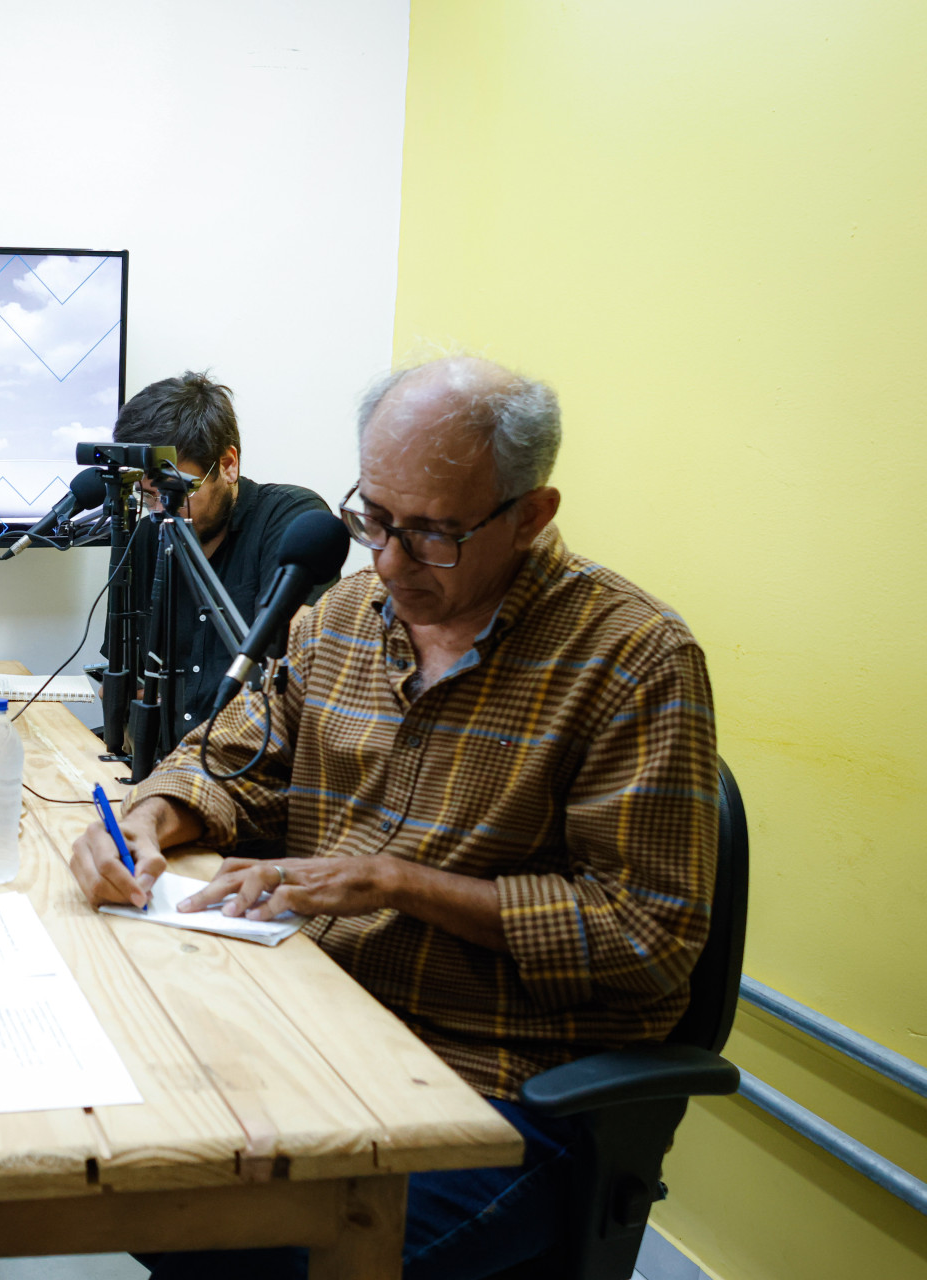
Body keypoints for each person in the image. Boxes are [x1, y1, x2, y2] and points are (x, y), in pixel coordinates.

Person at [73, 357, 718, 1280]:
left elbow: (645, 938)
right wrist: (148, 819)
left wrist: (395, 883)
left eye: (432, 535)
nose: (387, 559)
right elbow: (233, 759)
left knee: (247, 1250)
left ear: (531, 515)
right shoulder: (340, 617)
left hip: (499, 1085)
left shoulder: (634, 661)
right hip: (316, 1022)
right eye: (373, 517)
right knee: (140, 1173)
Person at [112, 372, 333, 736]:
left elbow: (290, 672)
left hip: (244, 764)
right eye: (146, 495)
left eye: (173, 493)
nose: (158, 511)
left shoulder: (291, 518)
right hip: (159, 761)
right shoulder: (148, 534)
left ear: (228, 465)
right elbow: (128, 684)